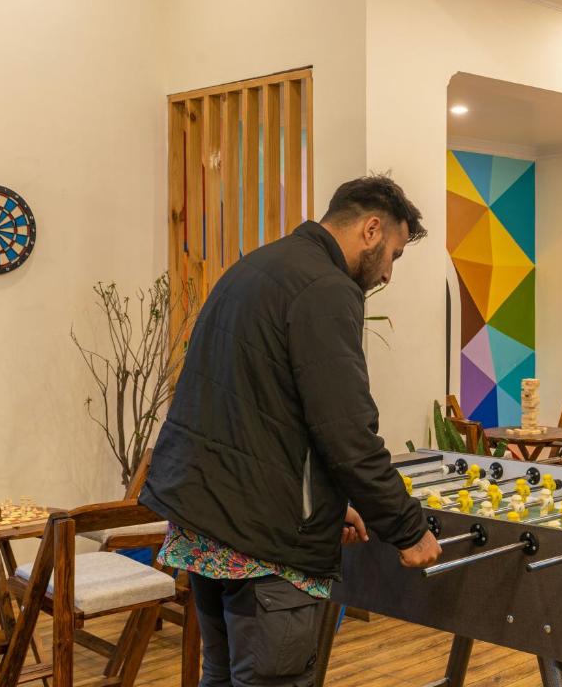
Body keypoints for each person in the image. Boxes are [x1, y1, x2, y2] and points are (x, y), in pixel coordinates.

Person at [140, 174, 441, 687]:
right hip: (264, 545)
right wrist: (408, 529)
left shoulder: (256, 267)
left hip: (207, 524)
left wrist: (326, 504)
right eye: (393, 253)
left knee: (221, 676)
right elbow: (346, 432)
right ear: (371, 229)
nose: (388, 273)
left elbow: (260, 412)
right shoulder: (327, 288)